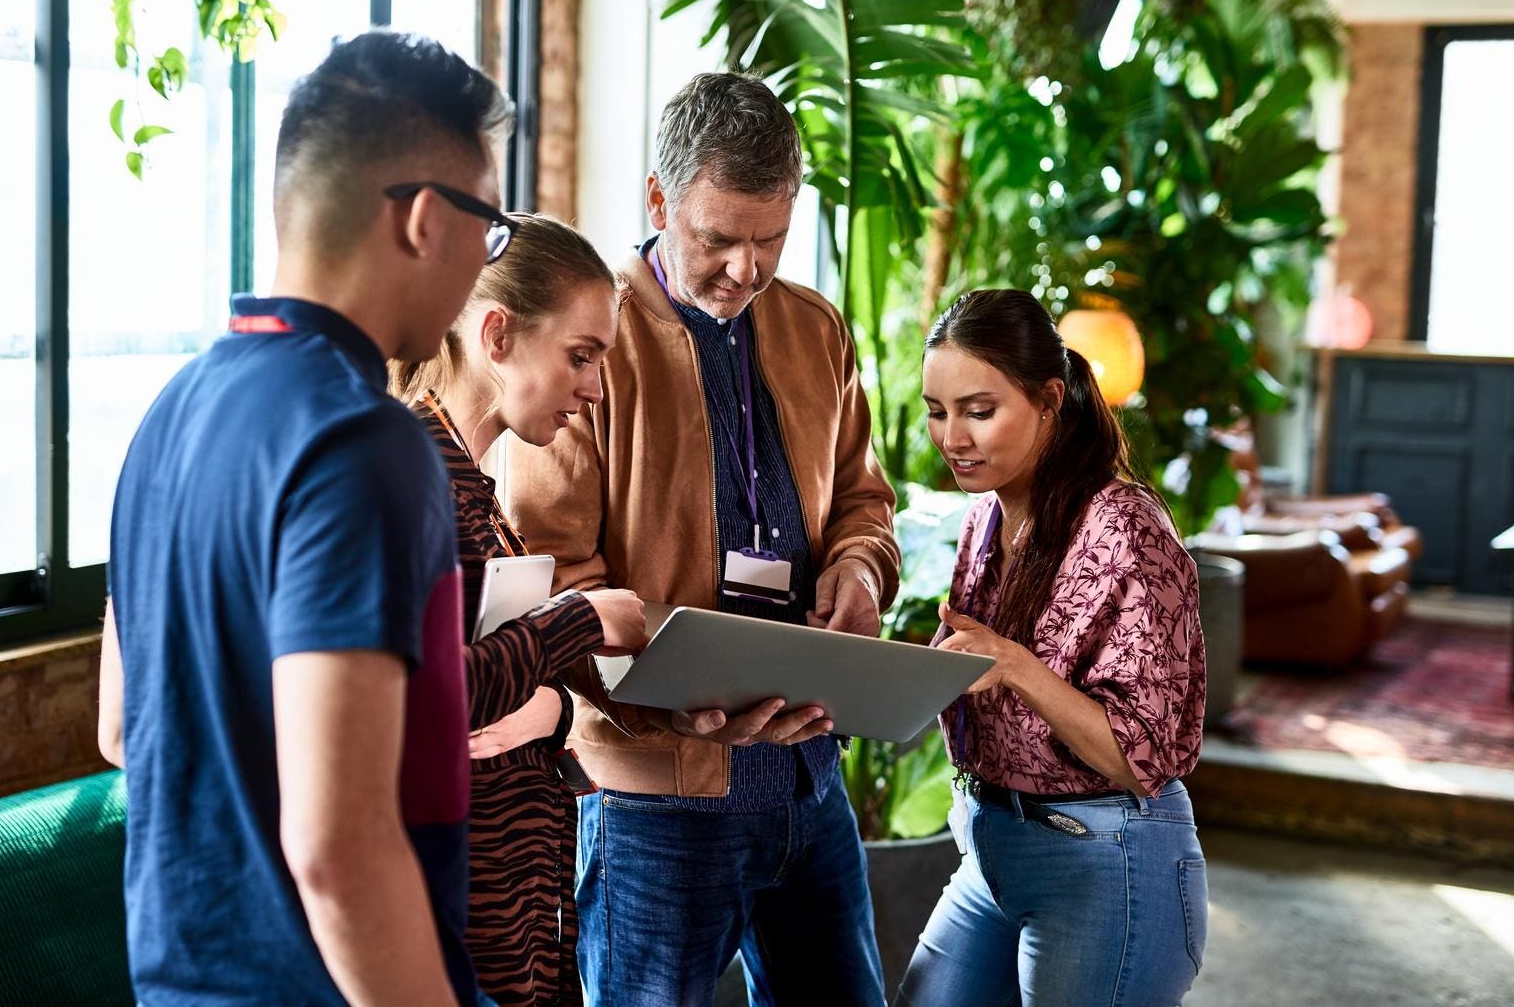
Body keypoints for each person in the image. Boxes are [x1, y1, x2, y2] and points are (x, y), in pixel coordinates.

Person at [99, 31, 518, 1005]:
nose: (484, 262)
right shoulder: (364, 443)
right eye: (488, 226)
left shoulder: (168, 413)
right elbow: (339, 846)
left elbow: (123, 727)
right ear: (422, 219)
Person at [509, 71, 899, 1006]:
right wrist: (659, 707)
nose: (746, 269)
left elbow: (864, 501)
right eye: (718, 238)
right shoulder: (590, 340)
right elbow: (551, 574)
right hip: (657, 800)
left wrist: (858, 568)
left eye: (770, 239)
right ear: (658, 200)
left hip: (807, 775)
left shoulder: (816, 328)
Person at [894, 289, 1209, 1006]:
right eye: (937, 411)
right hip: (992, 851)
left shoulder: (1125, 528)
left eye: (979, 410)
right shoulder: (985, 517)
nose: (953, 437)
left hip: (1108, 861)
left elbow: (1142, 756)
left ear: (1048, 400)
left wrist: (1014, 665)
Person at [390, 213, 645, 1006]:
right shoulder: (410, 473)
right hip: (461, 940)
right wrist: (584, 618)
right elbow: (431, 700)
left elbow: (507, 698)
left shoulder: (476, 486)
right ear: (496, 335)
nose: (595, 388)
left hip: (523, 932)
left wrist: (551, 708)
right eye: (580, 356)